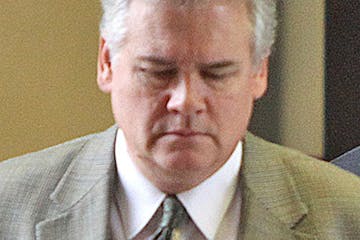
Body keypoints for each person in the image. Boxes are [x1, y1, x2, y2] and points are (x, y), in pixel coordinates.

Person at [1, 0, 360, 239]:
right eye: (158, 71)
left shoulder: (346, 215)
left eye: (217, 73)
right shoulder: (8, 206)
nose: (185, 101)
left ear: (259, 71)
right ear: (106, 62)